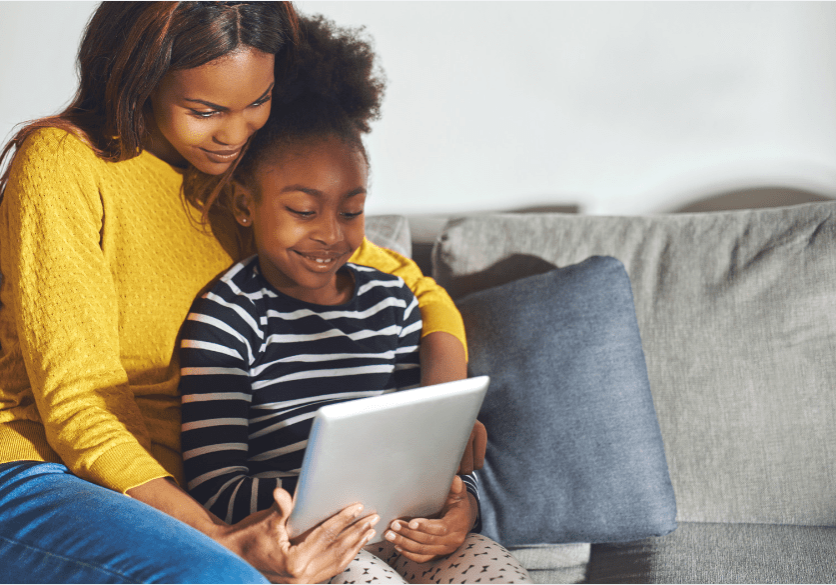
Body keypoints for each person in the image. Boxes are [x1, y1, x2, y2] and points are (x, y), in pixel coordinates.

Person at [0, 3, 477, 583]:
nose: (235, 134)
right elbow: (80, 407)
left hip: (184, 493)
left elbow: (420, 291)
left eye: (258, 102)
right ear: (140, 79)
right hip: (43, 468)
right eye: (205, 110)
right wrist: (219, 538)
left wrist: (440, 431)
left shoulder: (245, 181)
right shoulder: (64, 164)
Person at [179, 15, 531, 584]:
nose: (331, 234)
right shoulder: (228, 316)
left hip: (405, 532)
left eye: (351, 210)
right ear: (246, 207)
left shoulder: (392, 304)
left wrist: (458, 503)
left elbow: (431, 444)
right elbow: (214, 484)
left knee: (494, 568)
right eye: (302, 211)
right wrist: (324, 501)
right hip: (306, 546)